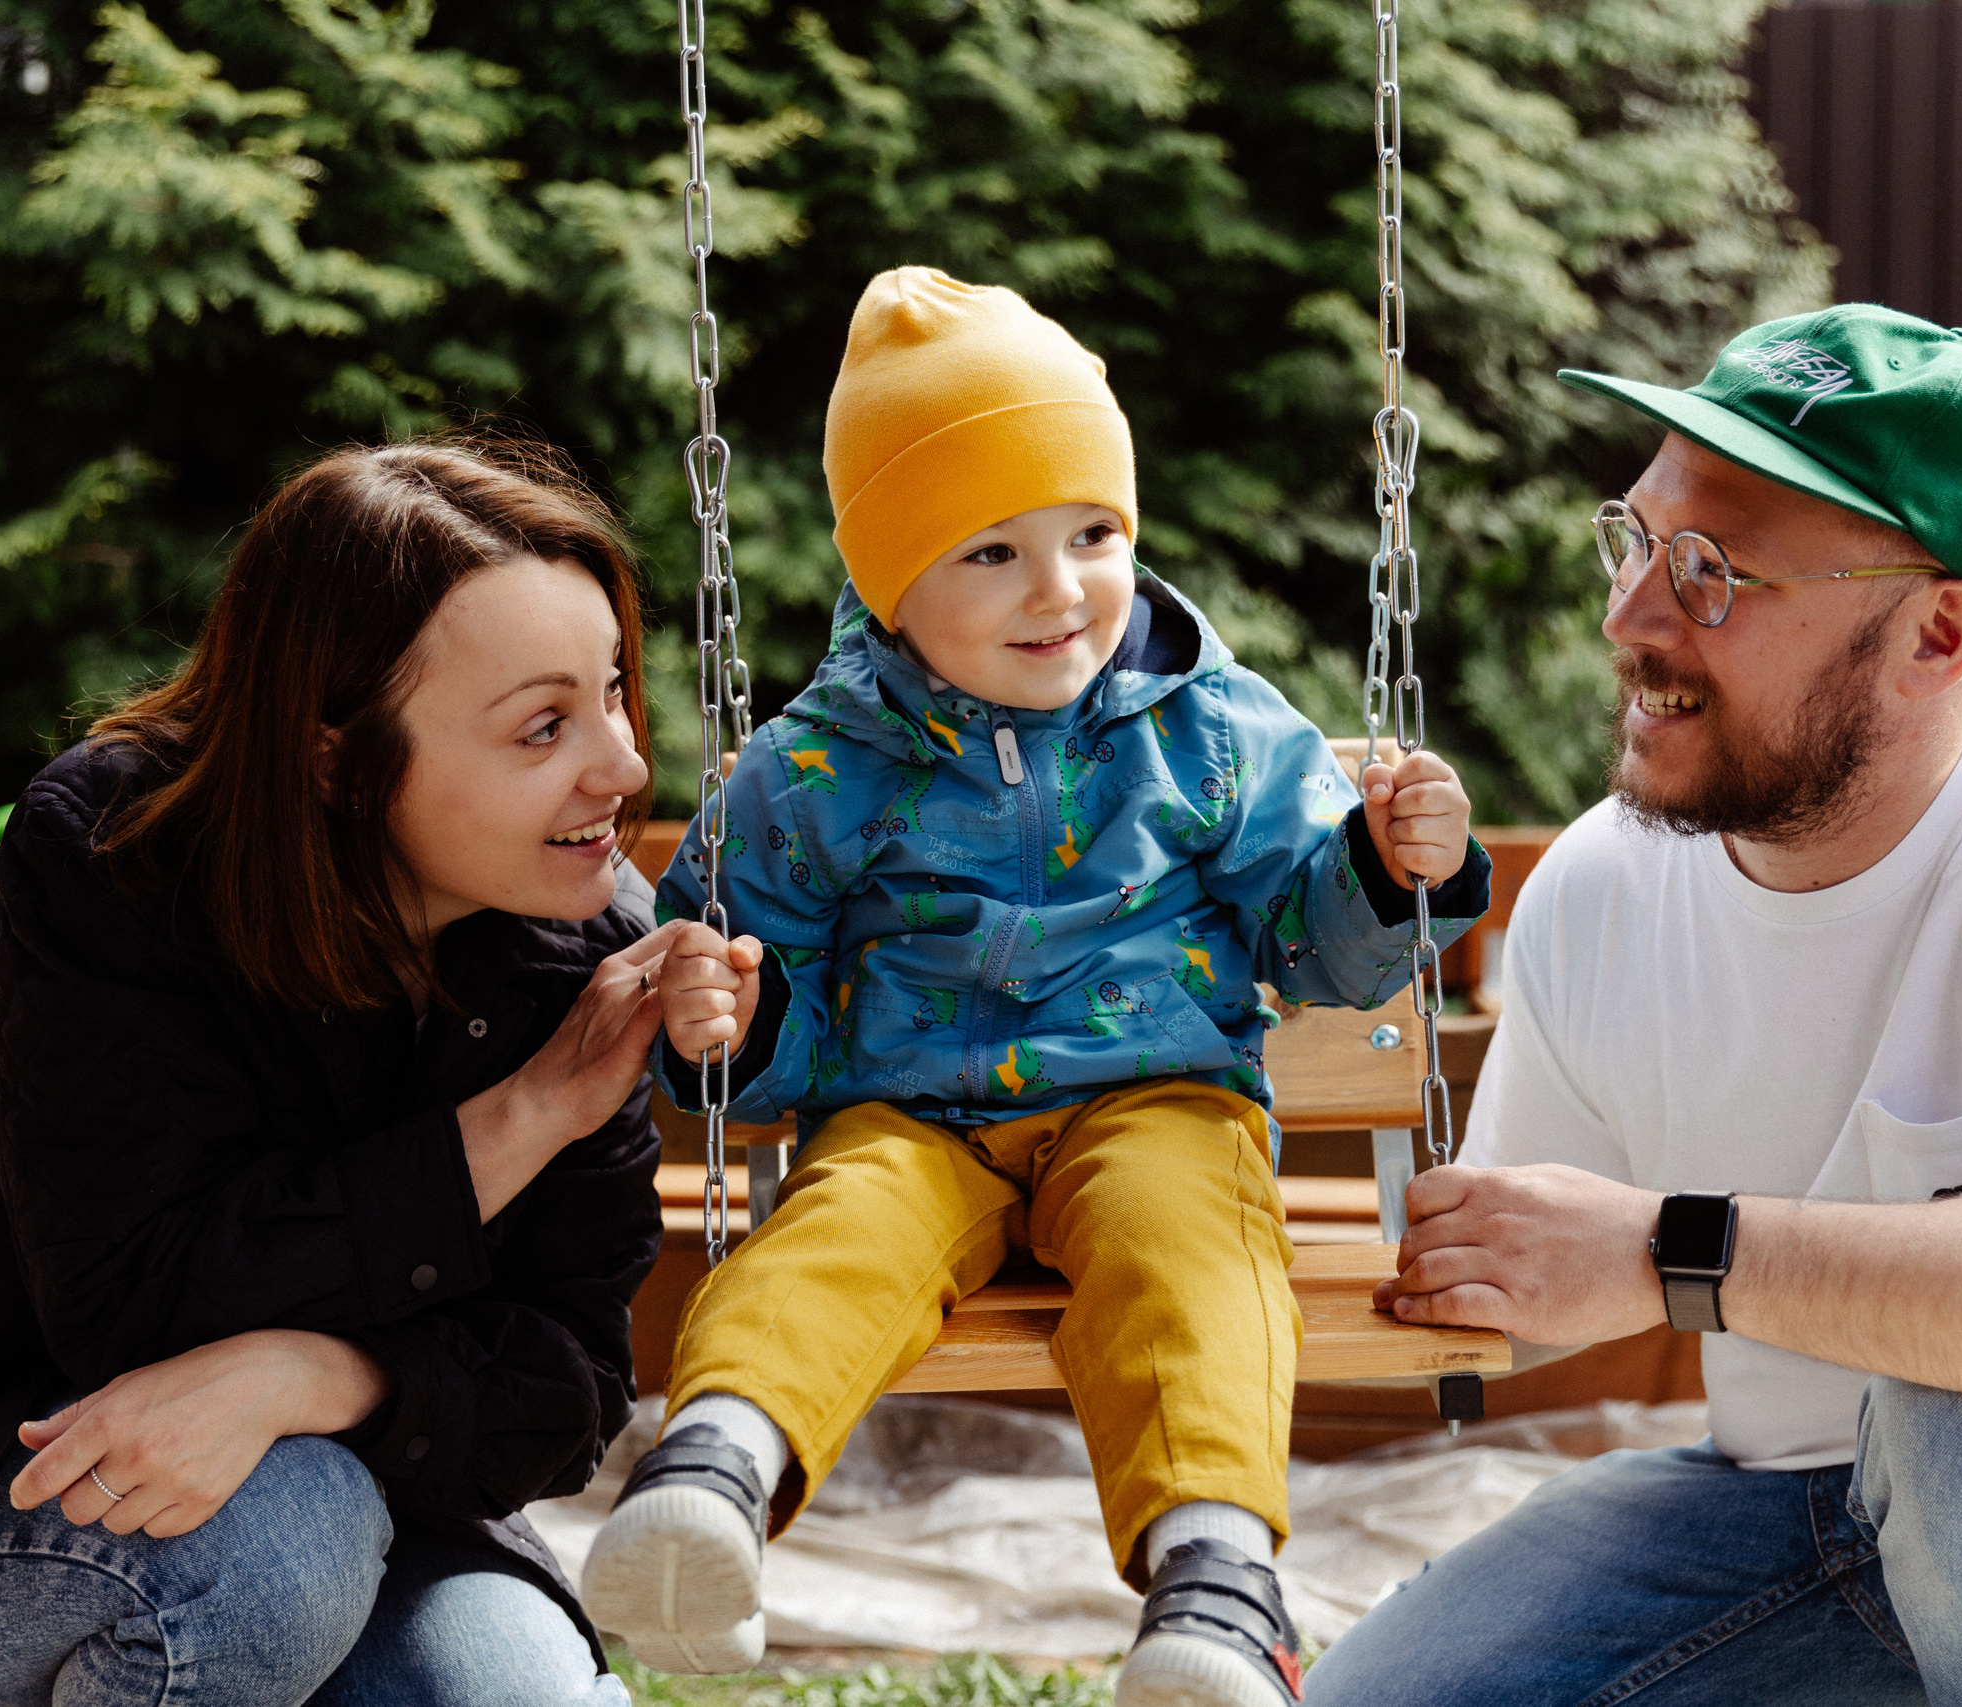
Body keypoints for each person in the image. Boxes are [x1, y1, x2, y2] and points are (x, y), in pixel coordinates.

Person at [577, 267, 1492, 1707]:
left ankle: (1213, 1589)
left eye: (1092, 532)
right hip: (909, 1115)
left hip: (1160, 1098)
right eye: (989, 552)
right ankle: (712, 1477)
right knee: (831, 1236)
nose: (1059, 587)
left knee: (1189, 1252)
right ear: (892, 577)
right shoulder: (815, 765)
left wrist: (1385, 867)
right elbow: (763, 993)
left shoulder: (1207, 727)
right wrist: (725, 1029)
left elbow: (1308, 946)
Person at [1304, 305, 1962, 1705]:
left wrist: (1685, 1250)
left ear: (1941, 634)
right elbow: (1525, 1300)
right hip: (1794, 1518)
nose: (1631, 617)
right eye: (1638, 540)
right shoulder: (1604, 883)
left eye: (1714, 574)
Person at [0, 441, 698, 1706]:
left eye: (614, 692)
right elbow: (126, 1301)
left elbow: (570, 1390)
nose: (618, 765)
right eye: (543, 726)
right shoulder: (115, 860)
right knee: (279, 1552)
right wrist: (520, 1121)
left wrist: (325, 1375)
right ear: (337, 758)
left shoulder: (587, 950)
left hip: (381, 1485)